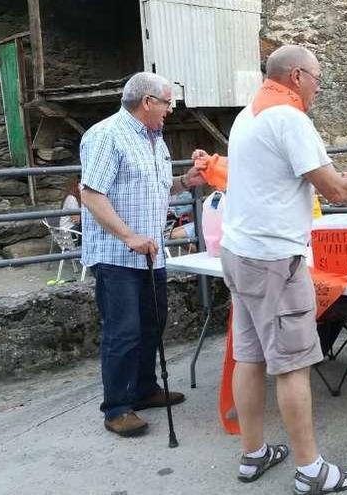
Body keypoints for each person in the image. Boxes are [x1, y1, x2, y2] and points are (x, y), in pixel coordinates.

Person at [220, 45, 347, 493]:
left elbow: (301, 175)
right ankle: (312, 471)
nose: (319, 88)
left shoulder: (249, 113)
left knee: (248, 357)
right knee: (292, 365)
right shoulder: (290, 117)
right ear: (297, 76)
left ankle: (253, 454)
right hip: (274, 259)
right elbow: (336, 191)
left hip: (239, 251)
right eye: (317, 78)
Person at [79, 72, 207, 437]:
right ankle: (117, 407)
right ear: (147, 101)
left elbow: (159, 188)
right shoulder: (107, 135)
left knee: (152, 324)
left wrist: (187, 182)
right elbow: (91, 194)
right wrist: (128, 235)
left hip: (151, 254)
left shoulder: (155, 139)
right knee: (123, 333)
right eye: (167, 102)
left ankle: (144, 389)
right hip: (118, 255)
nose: (170, 109)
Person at [60, 178, 82, 245]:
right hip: (68, 231)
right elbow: (77, 220)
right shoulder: (72, 199)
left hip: (71, 229)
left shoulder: (75, 198)